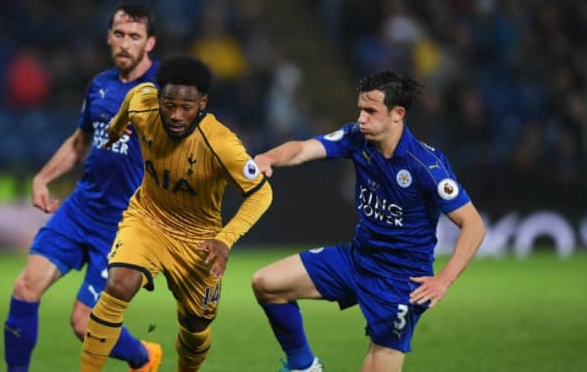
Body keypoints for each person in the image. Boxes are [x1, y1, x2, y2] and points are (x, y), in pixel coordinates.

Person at [251, 70, 486, 372]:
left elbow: (474, 225)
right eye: (361, 109)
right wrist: (269, 158)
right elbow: (302, 149)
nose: (362, 118)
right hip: (358, 259)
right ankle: (303, 366)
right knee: (267, 283)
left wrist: (444, 279)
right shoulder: (356, 138)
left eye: (371, 111)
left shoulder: (426, 165)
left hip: (401, 282)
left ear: (397, 114)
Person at [80, 56, 273, 372]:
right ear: (158, 97)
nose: (176, 115)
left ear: (203, 104)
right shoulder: (144, 103)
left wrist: (224, 240)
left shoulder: (222, 144)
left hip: (199, 242)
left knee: (196, 326)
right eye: (169, 104)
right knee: (119, 285)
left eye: (187, 107)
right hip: (148, 219)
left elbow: (261, 192)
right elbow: (133, 98)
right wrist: (115, 130)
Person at [3, 2, 163, 372]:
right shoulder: (100, 86)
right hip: (80, 209)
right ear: (109, 37)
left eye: (134, 37)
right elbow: (80, 142)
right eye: (119, 35)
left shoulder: (162, 94)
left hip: (123, 227)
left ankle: (143, 357)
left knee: (83, 323)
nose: (125, 43)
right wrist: (43, 177)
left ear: (150, 43)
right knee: (25, 288)